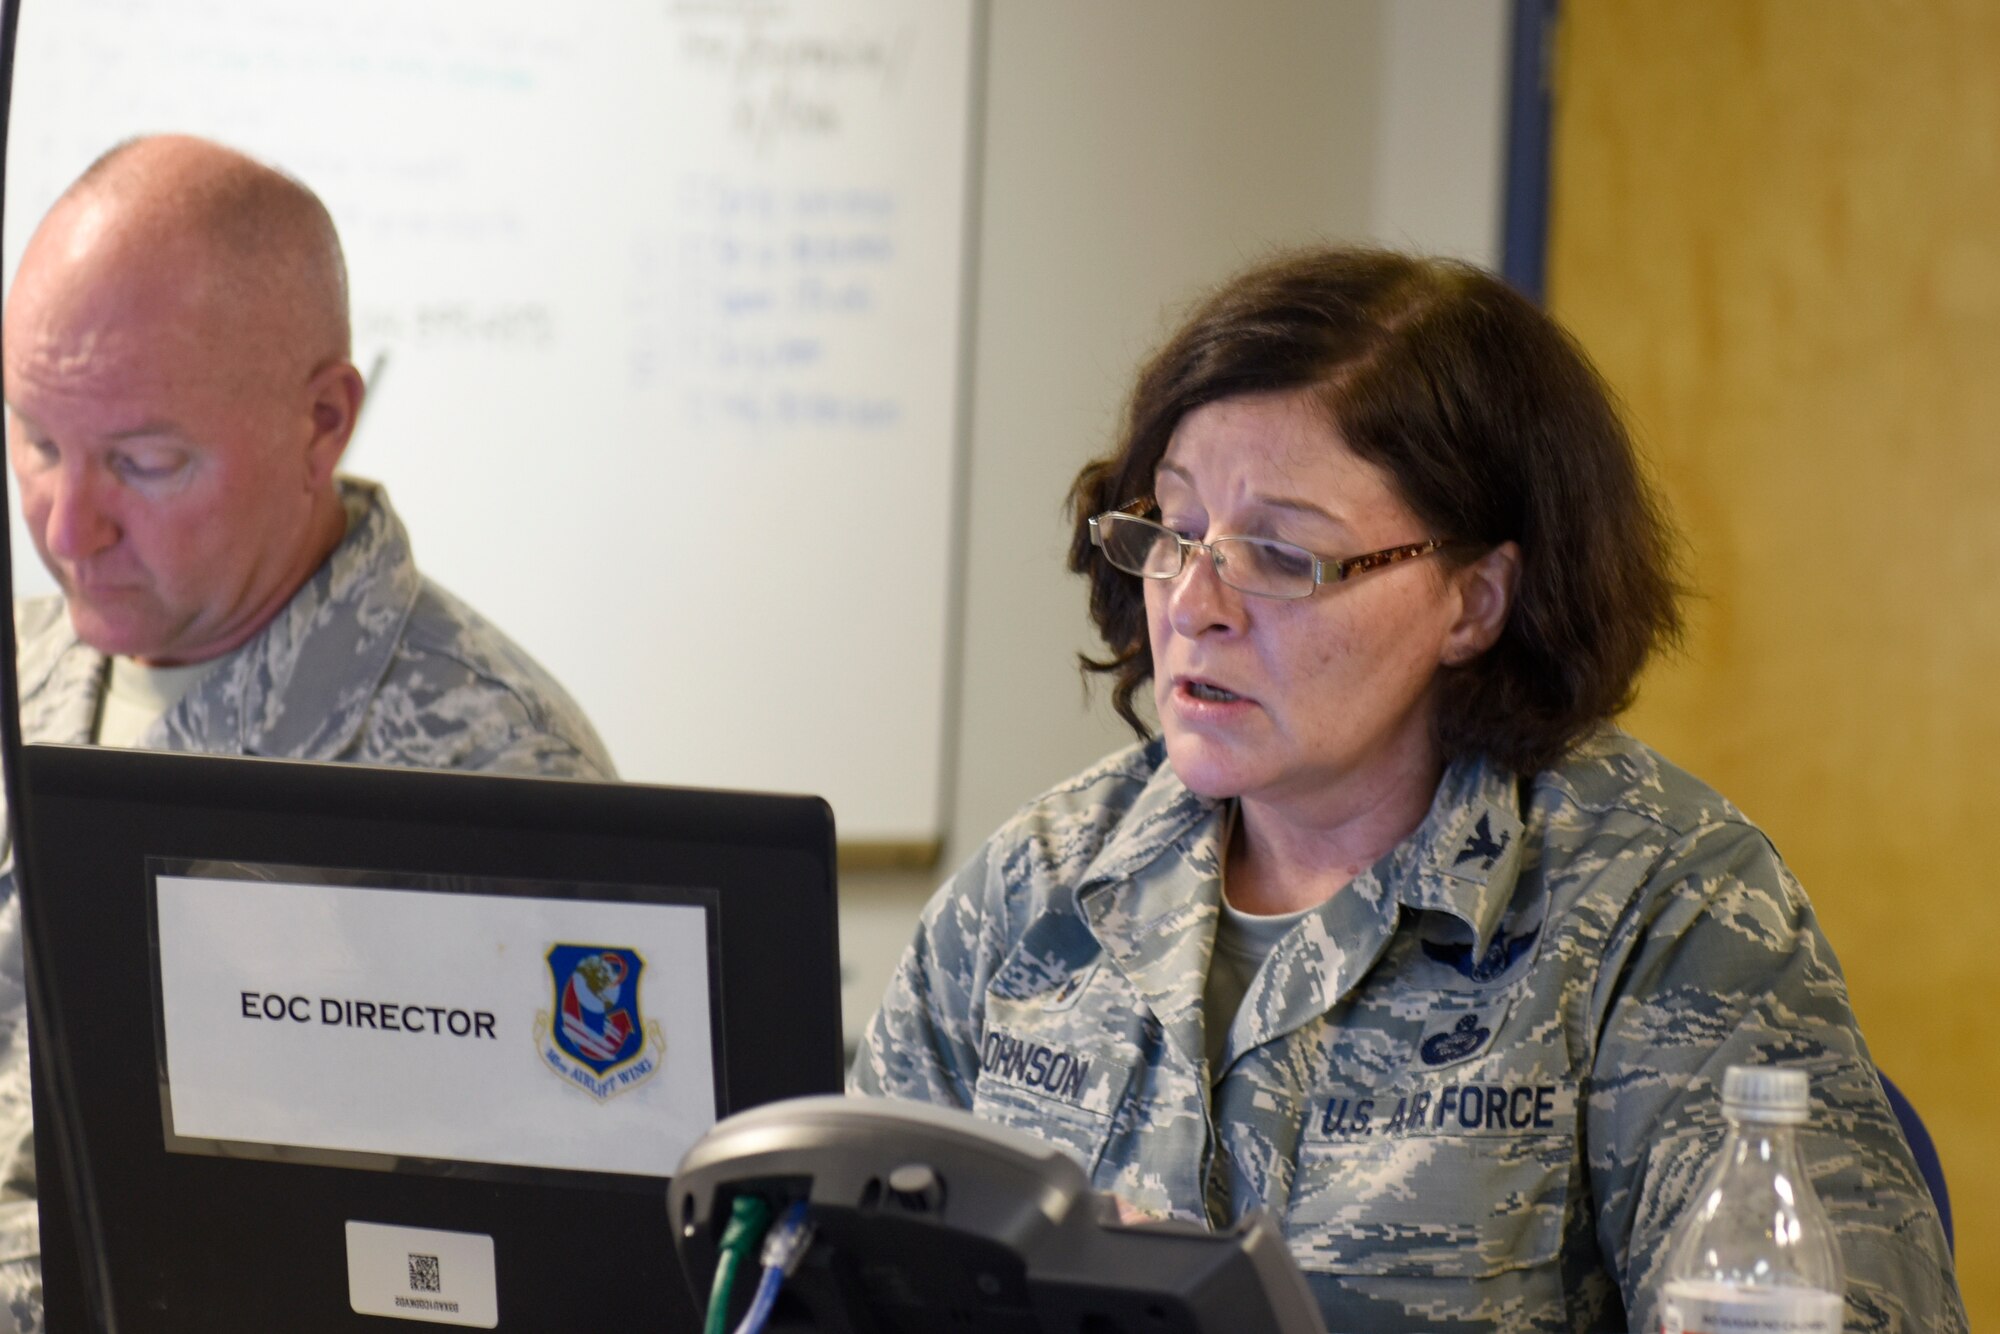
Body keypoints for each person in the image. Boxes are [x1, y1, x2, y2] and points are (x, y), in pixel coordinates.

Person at [852, 248, 1966, 1332]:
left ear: (1473, 601)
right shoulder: (1036, 887)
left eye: (1282, 555)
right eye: (1176, 532)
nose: (1194, 602)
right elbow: (818, 1269)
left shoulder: (1664, 907)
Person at [0, 135, 615, 1329]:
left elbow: (546, 1283)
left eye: (143, 459)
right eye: (36, 441)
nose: (70, 525)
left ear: (321, 421)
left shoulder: (497, 776)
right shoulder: (23, 672)